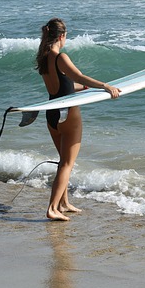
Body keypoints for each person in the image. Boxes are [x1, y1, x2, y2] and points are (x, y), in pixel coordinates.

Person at [35, 18, 120, 221]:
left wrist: (83, 88)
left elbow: (62, 86)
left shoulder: (44, 58)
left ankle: (63, 203)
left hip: (53, 113)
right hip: (69, 114)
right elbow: (79, 76)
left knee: (63, 161)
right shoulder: (60, 57)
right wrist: (105, 86)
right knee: (67, 164)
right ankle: (52, 208)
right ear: (62, 36)